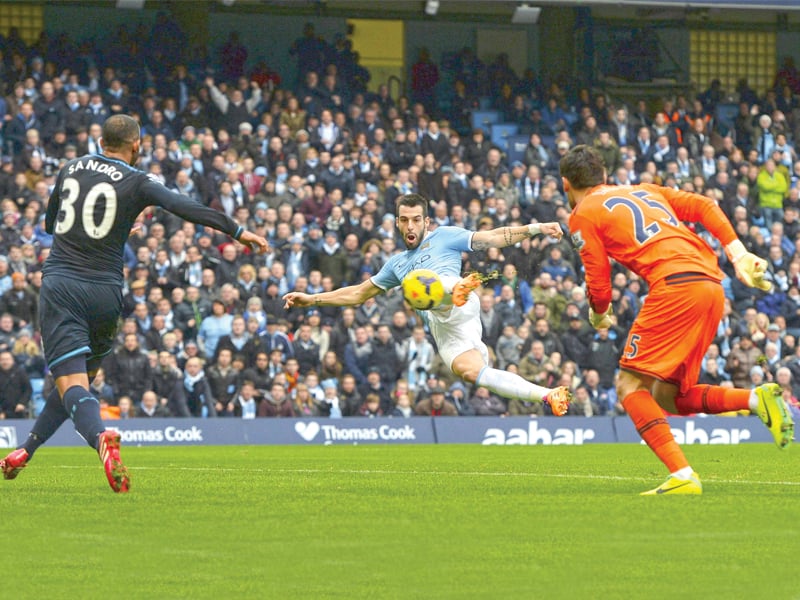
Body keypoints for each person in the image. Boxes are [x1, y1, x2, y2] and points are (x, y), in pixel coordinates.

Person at [0, 114, 268, 493]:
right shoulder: (138, 181)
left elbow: (50, 224)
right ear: (136, 145)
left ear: (101, 140)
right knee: (76, 386)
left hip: (63, 287)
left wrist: (110, 226)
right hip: (106, 294)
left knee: (71, 384)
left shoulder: (71, 168)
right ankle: (25, 451)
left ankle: (100, 441)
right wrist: (238, 232)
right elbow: (184, 206)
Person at [560, 144, 794, 495]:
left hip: (675, 287)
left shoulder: (582, 214)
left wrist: (598, 313)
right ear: (605, 176)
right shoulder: (645, 189)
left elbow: (599, 281)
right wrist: (737, 251)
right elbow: (704, 205)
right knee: (668, 397)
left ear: (566, 184)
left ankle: (682, 474)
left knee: (629, 386)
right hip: (712, 286)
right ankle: (753, 400)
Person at [283, 193, 572, 415]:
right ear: (397, 223)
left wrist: (536, 228)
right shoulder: (395, 264)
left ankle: (455, 287)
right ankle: (548, 395)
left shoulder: (445, 236)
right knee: (472, 373)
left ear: (426, 222)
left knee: (418, 284)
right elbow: (358, 294)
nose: (410, 225)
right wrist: (312, 299)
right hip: (443, 329)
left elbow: (494, 237)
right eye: (404, 220)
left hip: (460, 300)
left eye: (416, 219)